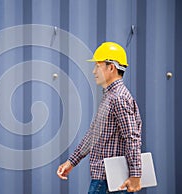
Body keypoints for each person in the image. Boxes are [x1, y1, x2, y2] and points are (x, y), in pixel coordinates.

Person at [57, 42, 142, 193]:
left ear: (111, 67)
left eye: (98, 65)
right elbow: (93, 135)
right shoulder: (110, 96)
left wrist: (135, 175)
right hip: (104, 179)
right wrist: (72, 162)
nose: (94, 71)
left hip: (109, 183)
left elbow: (132, 137)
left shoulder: (119, 98)